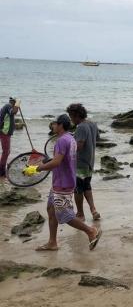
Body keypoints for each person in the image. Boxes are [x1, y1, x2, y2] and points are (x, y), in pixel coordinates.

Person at [23, 114, 102, 251]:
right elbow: (60, 159)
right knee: (51, 210)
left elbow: (57, 161)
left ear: (60, 125)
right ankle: (52, 242)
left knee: (65, 215)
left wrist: (36, 168)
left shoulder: (61, 141)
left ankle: (91, 231)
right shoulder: (70, 138)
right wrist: (43, 162)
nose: (52, 126)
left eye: (54, 124)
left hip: (62, 183)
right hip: (63, 181)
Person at [66, 103, 100, 221]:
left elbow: (79, 147)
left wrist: (66, 151)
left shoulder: (80, 127)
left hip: (79, 164)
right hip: (90, 162)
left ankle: (80, 214)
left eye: (71, 116)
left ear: (76, 115)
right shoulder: (93, 124)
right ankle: (93, 210)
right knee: (87, 186)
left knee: (78, 189)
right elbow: (96, 138)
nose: (70, 119)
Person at [0, 97, 20, 178]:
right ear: (13, 102)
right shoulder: (8, 106)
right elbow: (14, 111)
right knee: (6, 152)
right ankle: (1, 171)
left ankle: (2, 168)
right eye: (15, 103)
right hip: (4, 132)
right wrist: (18, 104)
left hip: (5, 132)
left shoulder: (7, 107)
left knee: (6, 151)